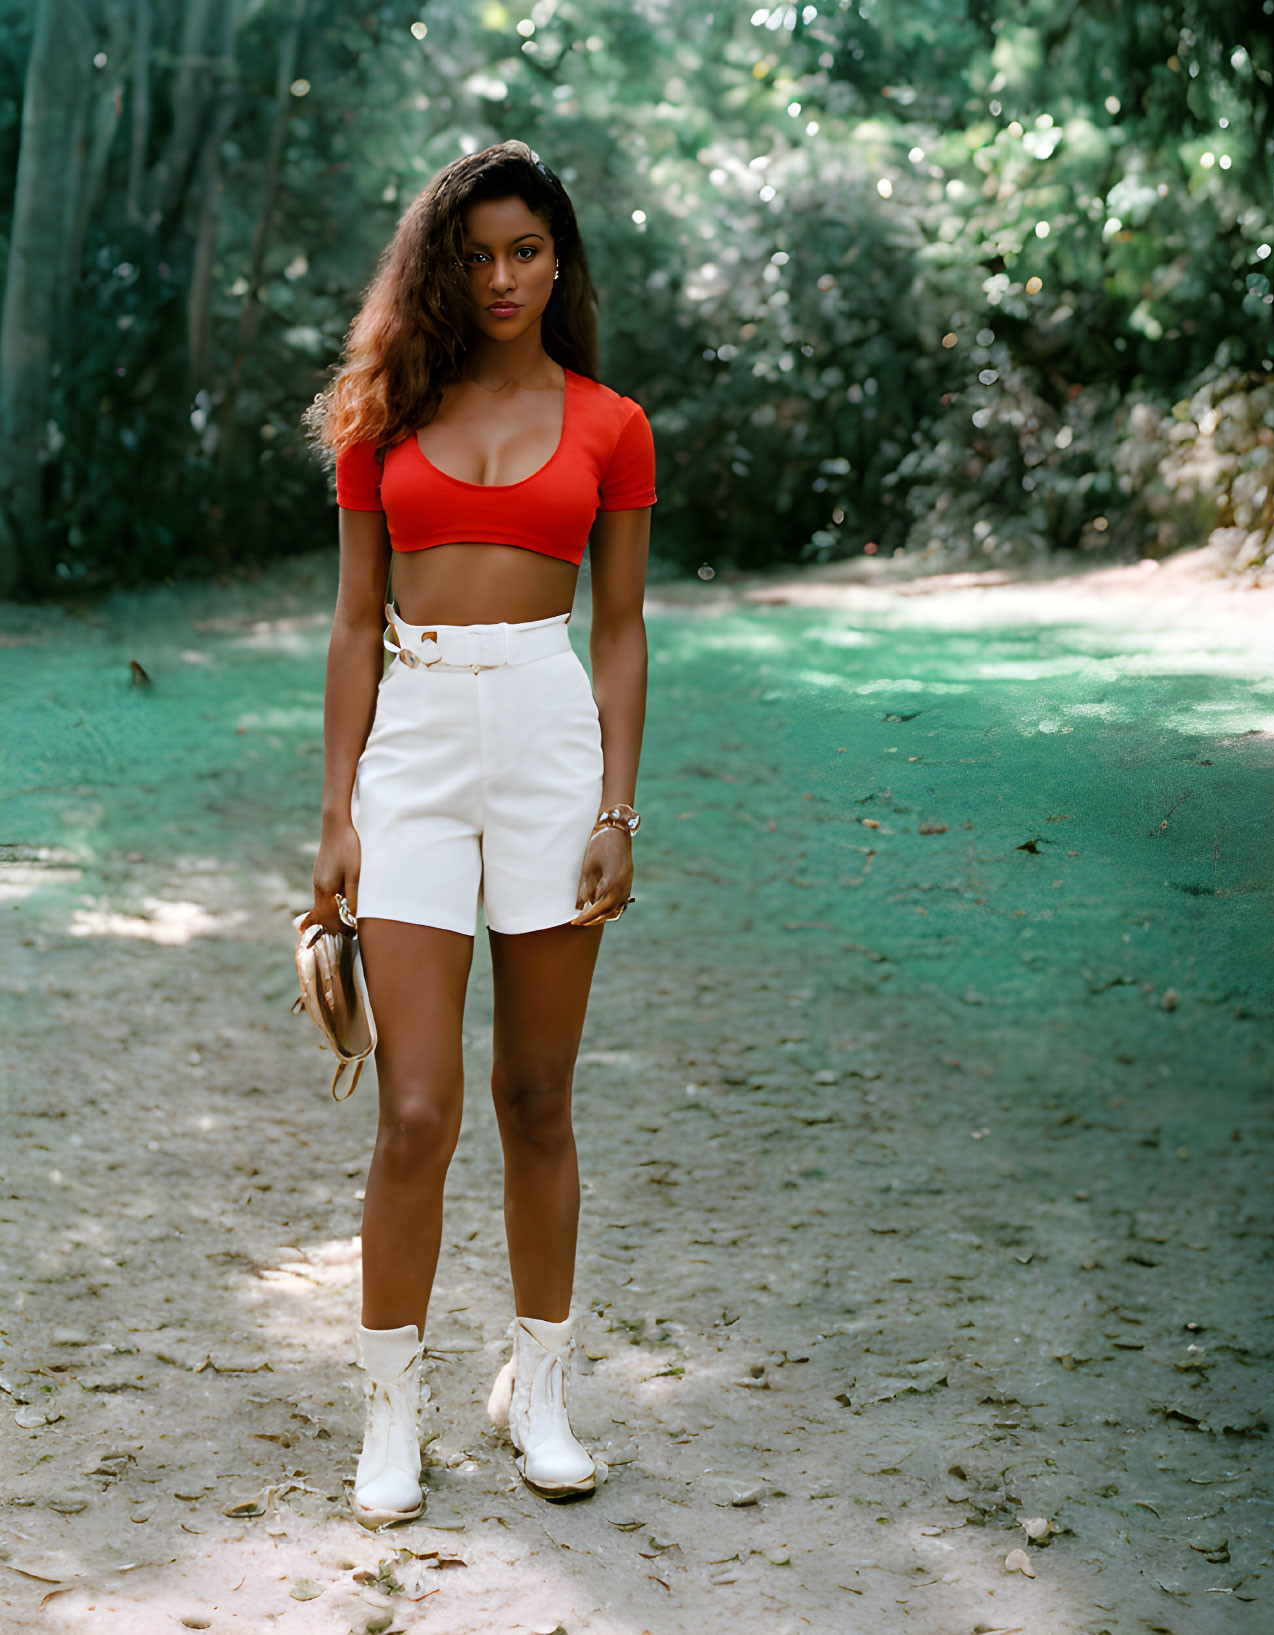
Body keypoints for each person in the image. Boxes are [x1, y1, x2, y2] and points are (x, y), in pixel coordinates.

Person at [299, 139, 655, 1526]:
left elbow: (619, 628)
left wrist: (618, 805)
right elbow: (348, 625)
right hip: (418, 748)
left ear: (558, 261)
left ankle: (540, 1388)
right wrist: (335, 815)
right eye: (475, 251)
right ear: (441, 264)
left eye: (524, 250)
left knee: (536, 1100)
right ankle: (391, 1416)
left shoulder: (613, 424)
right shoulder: (379, 418)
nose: (500, 275)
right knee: (412, 1109)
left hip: (552, 741)